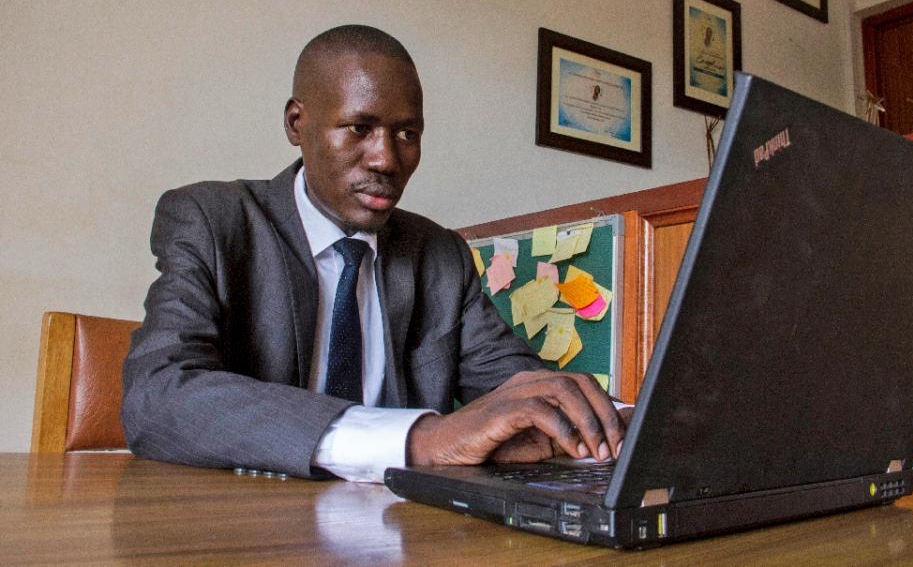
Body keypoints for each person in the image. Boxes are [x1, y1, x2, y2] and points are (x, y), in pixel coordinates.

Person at [121, 25, 625, 482]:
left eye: (408, 133)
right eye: (359, 128)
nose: (387, 158)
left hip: (401, 530)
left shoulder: (439, 254)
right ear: (298, 123)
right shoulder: (213, 220)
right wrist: (421, 440)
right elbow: (159, 394)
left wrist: (612, 420)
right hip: (245, 532)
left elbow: (517, 384)